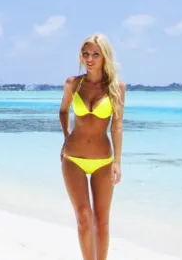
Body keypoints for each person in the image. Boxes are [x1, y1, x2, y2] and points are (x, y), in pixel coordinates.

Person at [59, 33, 126, 260]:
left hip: (103, 162)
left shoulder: (116, 87)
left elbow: (117, 126)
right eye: (85, 54)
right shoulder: (73, 84)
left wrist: (117, 161)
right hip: (73, 158)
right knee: (84, 218)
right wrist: (66, 135)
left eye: (95, 54)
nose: (89, 58)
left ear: (104, 56)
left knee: (102, 221)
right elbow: (63, 111)